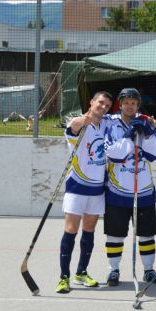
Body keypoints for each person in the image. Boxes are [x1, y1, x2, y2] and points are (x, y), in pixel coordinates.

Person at [103, 88, 156, 286]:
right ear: (120, 104)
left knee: (147, 234)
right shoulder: (111, 124)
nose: (129, 106)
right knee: (115, 234)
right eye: (126, 103)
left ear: (138, 105)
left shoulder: (145, 123)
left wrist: (148, 133)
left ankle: (148, 270)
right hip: (117, 190)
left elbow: (155, 153)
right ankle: (114, 270)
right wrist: (129, 135)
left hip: (143, 190)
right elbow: (114, 154)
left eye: (133, 103)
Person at [55, 91, 113, 293]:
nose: (103, 107)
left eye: (107, 105)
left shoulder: (105, 124)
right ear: (92, 102)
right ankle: (64, 277)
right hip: (77, 187)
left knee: (89, 231)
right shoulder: (79, 123)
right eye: (101, 103)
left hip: (97, 188)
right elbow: (73, 127)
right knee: (71, 230)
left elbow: (125, 116)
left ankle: (81, 272)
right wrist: (83, 121)